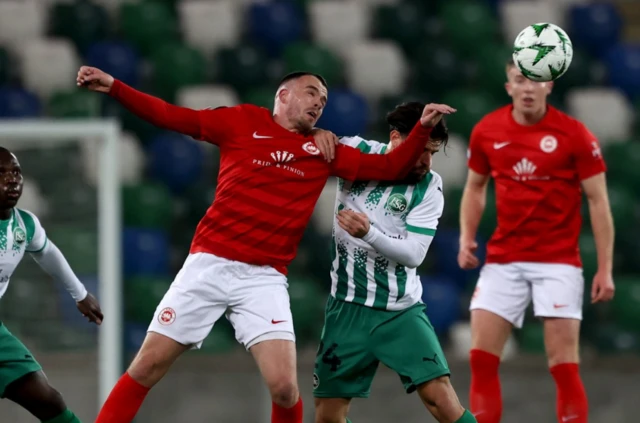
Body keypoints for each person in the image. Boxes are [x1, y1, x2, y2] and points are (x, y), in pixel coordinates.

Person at [76, 66, 456, 423]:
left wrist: (422, 129)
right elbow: (171, 115)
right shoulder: (241, 121)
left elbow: (391, 168)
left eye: (323, 101)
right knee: (146, 367)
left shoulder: (324, 151)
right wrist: (115, 87)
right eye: (311, 93)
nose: (318, 103)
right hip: (208, 264)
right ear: (283, 95)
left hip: (264, 278)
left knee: (285, 388)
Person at [458, 58, 615, 423]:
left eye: (536, 81)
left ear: (550, 87)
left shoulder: (575, 134)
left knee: (563, 366)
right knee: (481, 360)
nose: (528, 88)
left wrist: (605, 269)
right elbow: (475, 187)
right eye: (519, 80)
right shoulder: (487, 130)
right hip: (503, 258)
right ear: (508, 87)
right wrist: (467, 237)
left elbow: (598, 201)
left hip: (558, 261)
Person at [312, 102, 477, 423]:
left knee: (440, 401)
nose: (427, 161)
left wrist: (369, 232)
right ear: (396, 138)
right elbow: (308, 147)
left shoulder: (429, 187)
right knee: (328, 417)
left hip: (398, 312)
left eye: (433, 152)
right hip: (346, 310)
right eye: (422, 150)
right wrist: (317, 134)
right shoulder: (355, 151)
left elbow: (415, 254)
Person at [0, 148, 103, 423]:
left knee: (48, 401)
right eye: (2, 174)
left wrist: (80, 294)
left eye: (16, 173)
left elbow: (47, 253)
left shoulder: (25, 224)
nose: (12, 180)